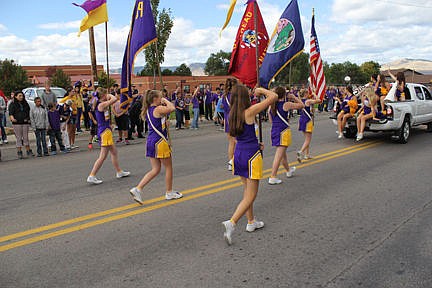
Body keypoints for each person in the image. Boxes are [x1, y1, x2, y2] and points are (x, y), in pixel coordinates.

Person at [221, 85, 278, 245]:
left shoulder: (231, 114)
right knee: (251, 195)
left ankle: (251, 221)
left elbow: (239, 136)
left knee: (247, 191)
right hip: (251, 156)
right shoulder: (250, 111)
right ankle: (232, 223)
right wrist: (262, 91)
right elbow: (273, 97)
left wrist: (255, 143)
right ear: (245, 97)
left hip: (239, 154)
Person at [129, 90, 182, 204]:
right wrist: (166, 101)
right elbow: (172, 108)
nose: (161, 99)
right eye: (160, 97)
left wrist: (165, 124)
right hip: (159, 142)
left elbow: (159, 121)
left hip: (151, 141)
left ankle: (138, 189)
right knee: (168, 168)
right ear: (155, 99)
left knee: (156, 169)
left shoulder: (149, 110)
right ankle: (169, 192)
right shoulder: (157, 109)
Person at [87, 88, 130, 184]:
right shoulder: (101, 105)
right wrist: (109, 95)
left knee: (114, 152)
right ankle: (92, 175)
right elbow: (114, 99)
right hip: (104, 132)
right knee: (102, 156)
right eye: (105, 94)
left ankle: (119, 171)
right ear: (102, 96)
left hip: (106, 130)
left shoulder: (101, 104)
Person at [268, 87, 304, 185]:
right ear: (284, 95)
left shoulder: (271, 106)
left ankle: (288, 170)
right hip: (283, 131)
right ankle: (273, 176)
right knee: (279, 155)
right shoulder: (286, 104)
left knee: (283, 154)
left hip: (274, 130)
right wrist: (294, 97)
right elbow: (301, 105)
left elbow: (270, 120)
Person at [297, 89, 321, 162]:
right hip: (307, 120)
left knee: (306, 139)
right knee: (308, 139)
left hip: (302, 119)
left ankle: (306, 155)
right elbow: (319, 100)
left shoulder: (300, 101)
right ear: (305, 94)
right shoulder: (307, 101)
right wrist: (314, 94)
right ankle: (300, 152)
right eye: (308, 93)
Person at [9, 91, 34, 159]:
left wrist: (28, 119)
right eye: (19, 96)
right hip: (17, 123)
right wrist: (12, 118)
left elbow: (28, 112)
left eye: (22, 96)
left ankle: (28, 150)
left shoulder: (25, 103)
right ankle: (19, 152)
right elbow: (10, 113)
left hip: (25, 122)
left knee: (26, 138)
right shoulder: (12, 104)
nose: (21, 97)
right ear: (16, 96)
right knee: (19, 138)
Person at [223, 78, 238, 171]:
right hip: (234, 119)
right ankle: (235, 161)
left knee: (231, 142)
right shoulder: (235, 96)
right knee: (237, 141)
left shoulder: (224, 96)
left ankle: (231, 162)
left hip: (227, 119)